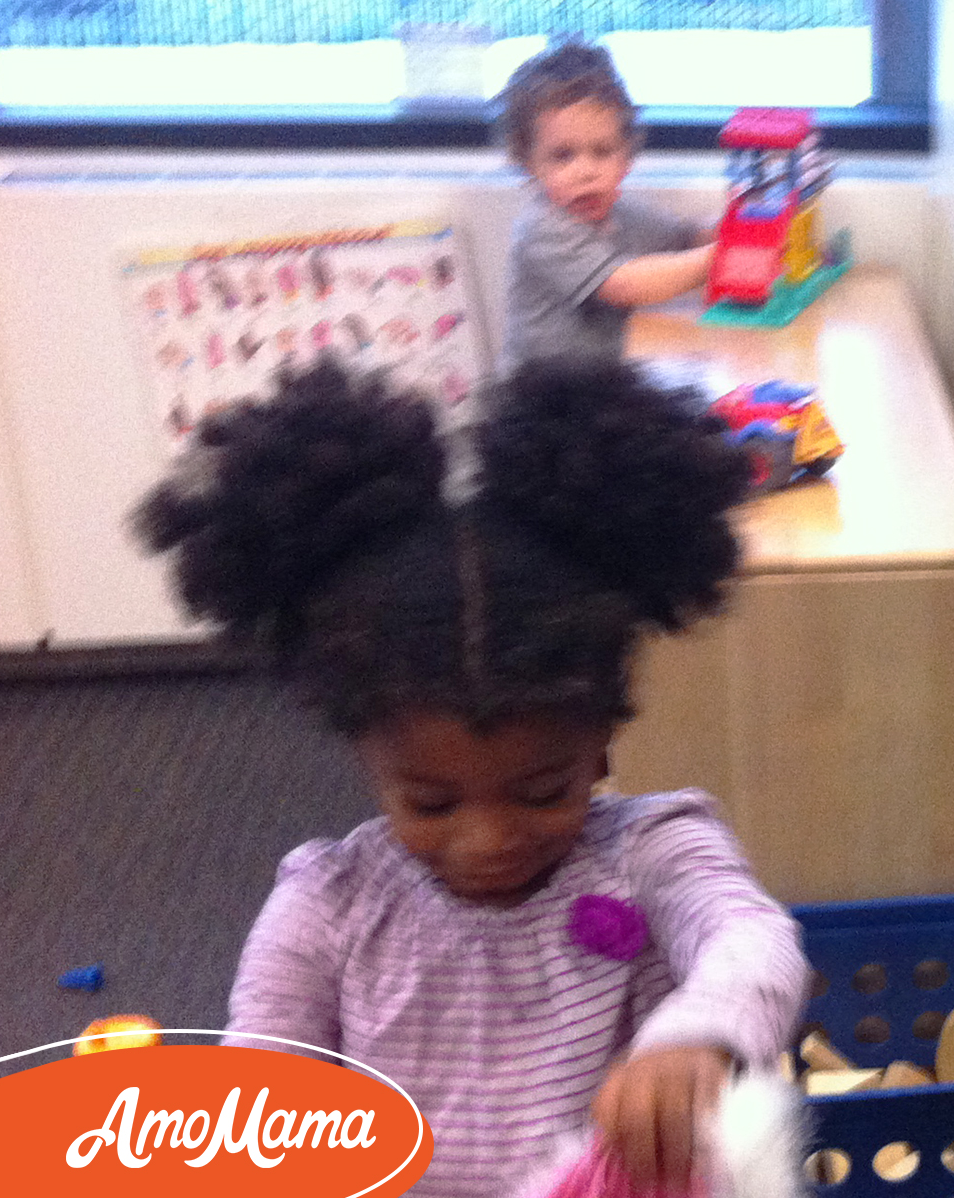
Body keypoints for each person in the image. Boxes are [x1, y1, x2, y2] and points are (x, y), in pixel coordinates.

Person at [136, 358, 797, 1198]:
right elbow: (262, 1078)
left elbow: (754, 944)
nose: (489, 840)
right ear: (365, 759)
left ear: (602, 742)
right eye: (431, 802)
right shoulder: (328, 910)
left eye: (543, 790)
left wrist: (694, 1037)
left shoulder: (650, 852)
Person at [497, 38, 715, 369]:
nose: (586, 172)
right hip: (543, 399)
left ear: (626, 158)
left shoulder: (622, 214)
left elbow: (685, 236)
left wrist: (738, 232)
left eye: (602, 152)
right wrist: (719, 258)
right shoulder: (543, 229)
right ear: (530, 166)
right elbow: (624, 284)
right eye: (562, 156)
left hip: (599, 382)